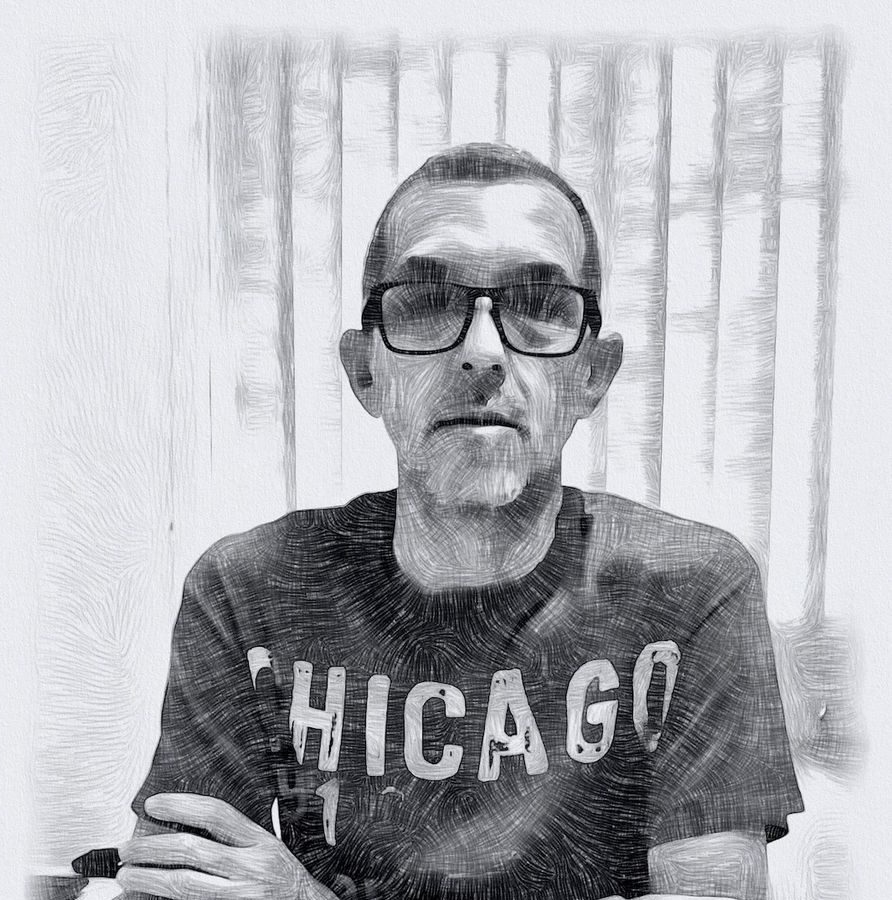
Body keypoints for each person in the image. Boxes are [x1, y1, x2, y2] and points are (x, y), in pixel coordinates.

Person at [117, 143, 804, 900]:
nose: (482, 353)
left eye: (540, 305)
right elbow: (169, 882)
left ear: (592, 375)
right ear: (366, 372)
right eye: (425, 301)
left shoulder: (691, 589)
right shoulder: (252, 588)